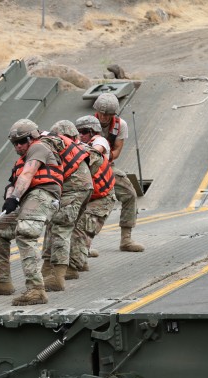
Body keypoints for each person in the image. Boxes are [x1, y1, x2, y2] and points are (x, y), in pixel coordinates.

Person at [0, 119, 62, 306]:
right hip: (29, 200)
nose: (18, 146)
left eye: (22, 141)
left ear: (32, 137)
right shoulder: (21, 159)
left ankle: (36, 290)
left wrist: (15, 198)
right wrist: (10, 196)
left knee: (26, 233)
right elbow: (13, 183)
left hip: (44, 195)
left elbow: (28, 174)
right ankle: (1, 283)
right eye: (14, 143)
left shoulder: (38, 147)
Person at [40, 120, 93, 291]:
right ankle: (51, 268)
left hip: (73, 191)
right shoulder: (78, 148)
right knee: (61, 226)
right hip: (84, 190)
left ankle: (57, 278)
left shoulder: (52, 146)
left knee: (61, 228)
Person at [92, 92, 145, 253]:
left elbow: (116, 151)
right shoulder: (87, 125)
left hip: (107, 164)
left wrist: (102, 154)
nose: (104, 117)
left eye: (108, 114)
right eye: (102, 113)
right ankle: (83, 244)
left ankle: (126, 240)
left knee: (130, 194)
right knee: (87, 201)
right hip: (87, 167)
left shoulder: (120, 125)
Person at [66, 115, 116, 279]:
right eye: (78, 132)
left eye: (84, 132)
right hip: (88, 196)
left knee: (82, 227)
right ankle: (81, 259)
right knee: (70, 224)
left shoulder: (98, 142)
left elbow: (98, 148)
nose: (81, 135)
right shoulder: (78, 147)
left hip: (102, 198)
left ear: (93, 132)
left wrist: (77, 146)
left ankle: (73, 267)